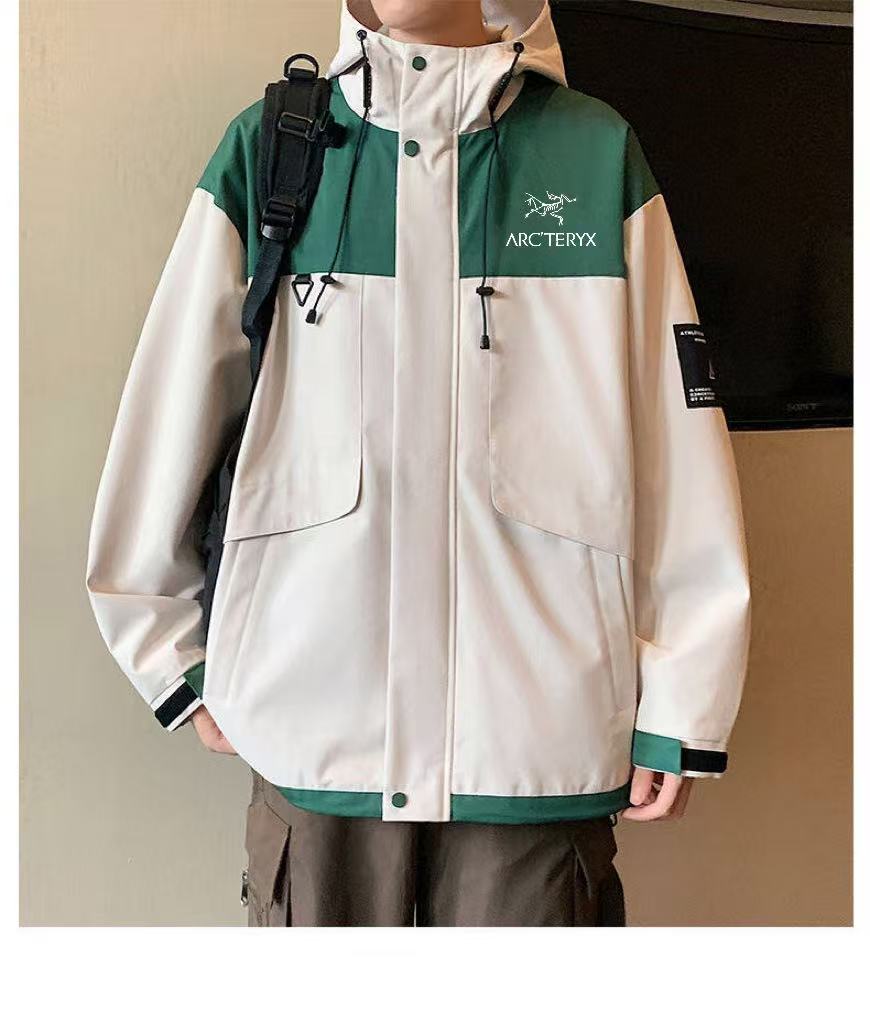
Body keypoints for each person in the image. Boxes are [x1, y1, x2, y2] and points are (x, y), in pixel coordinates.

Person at [86, 0, 751, 927]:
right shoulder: (275, 148)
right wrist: (169, 655)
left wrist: (685, 694)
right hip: (311, 723)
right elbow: (172, 406)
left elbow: (672, 435)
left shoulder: (594, 154)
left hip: (535, 740)